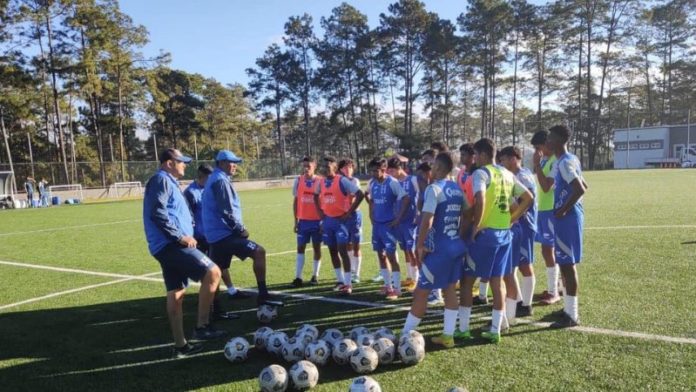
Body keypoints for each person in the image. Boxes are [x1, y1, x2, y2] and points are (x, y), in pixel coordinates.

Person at [143, 148, 224, 359]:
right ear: (169, 163)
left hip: (167, 246)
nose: (185, 165)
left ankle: (180, 345)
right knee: (213, 272)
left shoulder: (168, 181)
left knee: (176, 293)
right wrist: (180, 237)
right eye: (181, 161)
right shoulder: (160, 180)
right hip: (172, 245)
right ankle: (202, 326)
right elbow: (157, 212)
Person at [457, 138, 533, 344]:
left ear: (481, 155)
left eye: (475, 155)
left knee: (467, 281)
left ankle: (462, 329)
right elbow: (527, 198)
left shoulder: (480, 174)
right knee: (497, 282)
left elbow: (480, 199)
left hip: (485, 236)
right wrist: (511, 219)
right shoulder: (507, 174)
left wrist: (476, 227)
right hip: (503, 235)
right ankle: (495, 330)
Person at [401, 152, 468, 348]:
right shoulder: (456, 189)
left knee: (421, 293)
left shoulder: (434, 189)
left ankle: (404, 335)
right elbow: (468, 212)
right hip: (455, 246)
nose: (432, 169)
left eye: (434, 166)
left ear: (439, 168)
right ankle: (448, 336)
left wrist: (420, 245)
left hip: (438, 250)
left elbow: (427, 219)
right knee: (449, 290)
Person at [202, 150, 280, 307]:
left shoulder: (216, 178)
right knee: (259, 252)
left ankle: (214, 310)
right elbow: (226, 211)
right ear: (222, 163)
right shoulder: (220, 181)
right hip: (225, 235)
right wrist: (240, 230)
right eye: (232, 162)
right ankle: (263, 295)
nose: (235, 166)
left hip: (215, 235)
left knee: (216, 271)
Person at [184, 164, 249, 313]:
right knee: (208, 271)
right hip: (200, 237)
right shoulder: (190, 193)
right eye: (210, 177)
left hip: (214, 235)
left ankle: (231, 291)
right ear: (202, 177)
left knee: (221, 266)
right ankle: (210, 301)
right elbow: (189, 217)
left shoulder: (211, 188)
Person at [547, 125, 587, 328]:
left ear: (559, 140)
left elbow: (580, 189)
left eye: (550, 138)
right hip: (568, 216)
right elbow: (584, 184)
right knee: (564, 262)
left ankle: (572, 315)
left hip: (568, 218)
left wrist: (563, 209)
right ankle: (568, 308)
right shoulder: (570, 159)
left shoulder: (564, 163)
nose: (547, 142)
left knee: (567, 265)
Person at [313, 156, 364, 294]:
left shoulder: (342, 181)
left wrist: (348, 213)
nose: (324, 169)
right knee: (332, 251)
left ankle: (348, 284)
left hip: (341, 222)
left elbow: (360, 195)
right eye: (323, 167)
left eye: (327, 167)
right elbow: (315, 195)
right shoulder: (321, 182)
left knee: (343, 251)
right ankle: (340, 281)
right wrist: (321, 215)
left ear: (334, 168)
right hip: (328, 221)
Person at [499, 146, 538, 320]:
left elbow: (526, 201)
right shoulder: (520, 174)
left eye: (504, 159)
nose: (502, 163)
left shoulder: (522, 176)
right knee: (513, 265)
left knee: (525, 265)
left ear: (514, 158)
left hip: (524, 226)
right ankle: (519, 301)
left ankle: (527, 305)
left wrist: (512, 216)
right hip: (517, 226)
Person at [366, 157, 410, 300]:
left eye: (376, 170)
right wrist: (371, 216)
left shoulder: (392, 182)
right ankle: (387, 285)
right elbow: (371, 200)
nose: (373, 173)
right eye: (371, 170)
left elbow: (406, 198)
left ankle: (397, 289)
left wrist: (398, 218)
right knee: (381, 255)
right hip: (377, 225)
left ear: (383, 170)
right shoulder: (372, 183)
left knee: (391, 256)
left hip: (389, 225)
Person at [532, 130, 561, 305]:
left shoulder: (555, 161)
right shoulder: (546, 160)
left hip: (551, 210)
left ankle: (554, 291)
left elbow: (546, 187)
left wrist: (536, 166)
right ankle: (557, 287)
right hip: (543, 210)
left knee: (549, 250)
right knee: (548, 250)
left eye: (538, 146)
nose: (537, 151)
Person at [387, 156, 420, 292]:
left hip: (410, 221)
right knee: (405, 250)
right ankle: (409, 276)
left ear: (399, 168)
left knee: (412, 251)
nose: (390, 174)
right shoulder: (393, 182)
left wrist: (418, 214)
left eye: (392, 171)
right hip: (398, 220)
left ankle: (416, 280)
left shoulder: (412, 180)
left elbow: (421, 196)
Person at [292, 157, 323, 287]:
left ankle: (315, 275)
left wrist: (323, 221)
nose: (305, 169)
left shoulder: (321, 181)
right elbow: (296, 201)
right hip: (303, 221)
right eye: (304, 166)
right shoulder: (298, 180)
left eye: (308, 166)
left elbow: (325, 203)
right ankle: (298, 277)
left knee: (317, 248)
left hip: (317, 222)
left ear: (314, 166)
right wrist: (296, 220)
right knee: (300, 248)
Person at [339, 158, 363, 284]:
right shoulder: (339, 181)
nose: (347, 169)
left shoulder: (355, 181)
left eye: (350, 167)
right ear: (340, 169)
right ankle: (350, 270)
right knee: (347, 244)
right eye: (344, 167)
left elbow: (354, 197)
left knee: (356, 244)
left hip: (354, 215)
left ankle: (356, 273)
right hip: (342, 216)